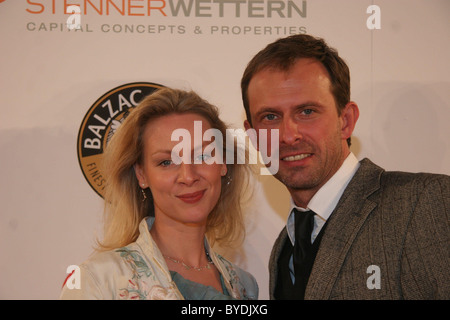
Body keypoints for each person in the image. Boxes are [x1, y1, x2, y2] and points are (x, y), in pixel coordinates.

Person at [241, 34, 449, 299]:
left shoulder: (425, 203)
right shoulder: (283, 248)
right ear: (253, 137)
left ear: (346, 120)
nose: (288, 135)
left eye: (307, 112)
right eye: (270, 117)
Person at [60, 88, 258, 300]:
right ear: (142, 174)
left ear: (223, 163)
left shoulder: (244, 285)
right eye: (166, 162)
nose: (188, 176)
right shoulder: (99, 280)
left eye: (202, 155)